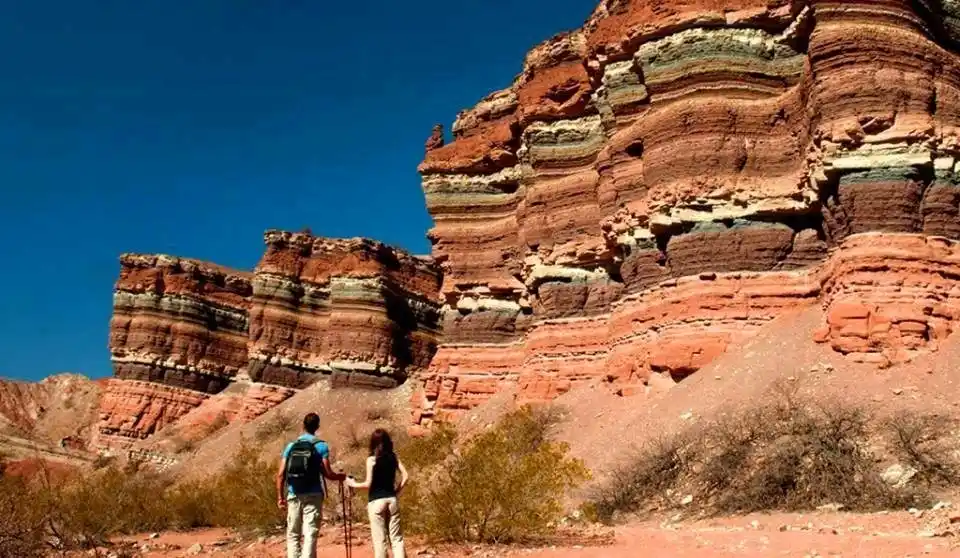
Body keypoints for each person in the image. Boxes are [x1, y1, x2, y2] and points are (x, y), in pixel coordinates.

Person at [276, 412, 347, 558]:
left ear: (303, 425)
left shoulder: (291, 446)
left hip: (294, 493)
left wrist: (280, 497)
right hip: (314, 494)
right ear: (317, 427)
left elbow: (281, 474)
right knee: (310, 532)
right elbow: (328, 474)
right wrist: (341, 477)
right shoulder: (321, 446)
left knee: (293, 534)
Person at [346, 428, 409, 558]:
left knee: (380, 541)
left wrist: (353, 484)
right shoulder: (394, 457)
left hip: (376, 501)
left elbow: (368, 484)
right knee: (396, 539)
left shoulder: (372, 460)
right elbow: (406, 476)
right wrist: (396, 491)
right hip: (392, 500)